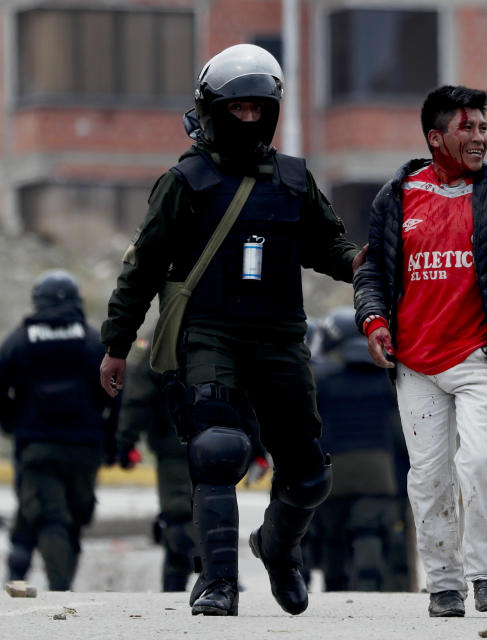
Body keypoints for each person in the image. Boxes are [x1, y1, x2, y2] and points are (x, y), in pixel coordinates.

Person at [98, 44, 364, 616]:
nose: (247, 118)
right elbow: (140, 268)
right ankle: (216, 581)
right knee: (216, 449)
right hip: (210, 333)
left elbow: (330, 246)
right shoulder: (185, 181)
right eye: (236, 108)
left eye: (257, 109)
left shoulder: (293, 179)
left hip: (279, 335)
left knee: (310, 472)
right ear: (213, 109)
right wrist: (117, 346)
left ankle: (278, 548)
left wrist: (363, 262)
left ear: (271, 112)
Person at [353, 85, 487, 617]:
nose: (480, 137)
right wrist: (374, 321)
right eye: (468, 128)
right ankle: (444, 584)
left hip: (479, 358)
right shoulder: (397, 194)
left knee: (479, 461)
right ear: (436, 138)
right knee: (428, 477)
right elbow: (372, 271)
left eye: (483, 127)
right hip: (416, 364)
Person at [0, 270, 118, 591]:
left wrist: (12, 422)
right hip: (85, 447)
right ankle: (61, 585)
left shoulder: (20, 340)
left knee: (50, 517)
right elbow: (117, 391)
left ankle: (59, 590)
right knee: (74, 520)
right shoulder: (94, 342)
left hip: (37, 446)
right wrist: (110, 438)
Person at [303, 307, 409, 592]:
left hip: (334, 472)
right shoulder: (388, 381)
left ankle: (336, 592)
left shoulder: (323, 380)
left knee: (333, 538)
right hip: (379, 472)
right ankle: (368, 590)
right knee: (370, 532)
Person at [115, 338, 198, 592]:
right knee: (212, 510)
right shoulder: (224, 321)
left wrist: (126, 440)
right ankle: (217, 578)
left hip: (174, 443)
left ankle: (212, 579)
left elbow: (140, 393)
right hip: (220, 438)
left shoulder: (164, 335)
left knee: (179, 517)